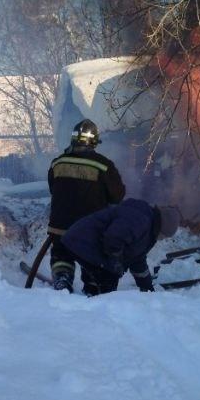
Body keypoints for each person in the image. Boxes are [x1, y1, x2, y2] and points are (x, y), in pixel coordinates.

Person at [47, 119, 125, 292]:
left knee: (61, 255)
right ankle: (92, 286)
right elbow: (117, 196)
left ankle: (62, 279)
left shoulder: (57, 163)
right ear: (94, 142)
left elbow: (53, 189)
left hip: (59, 226)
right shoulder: (104, 165)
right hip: (90, 228)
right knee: (90, 256)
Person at [59, 198, 180, 296]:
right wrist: (115, 262)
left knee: (103, 281)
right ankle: (97, 311)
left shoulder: (147, 228)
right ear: (162, 229)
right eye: (164, 236)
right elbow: (113, 237)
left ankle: (90, 298)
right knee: (108, 284)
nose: (162, 239)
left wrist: (147, 289)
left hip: (89, 246)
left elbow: (137, 261)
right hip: (83, 241)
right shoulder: (140, 219)